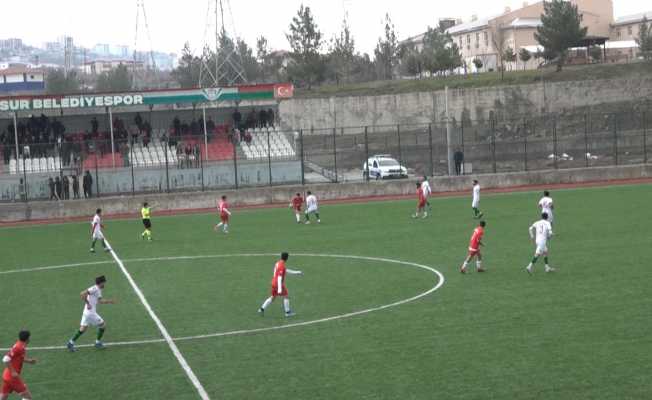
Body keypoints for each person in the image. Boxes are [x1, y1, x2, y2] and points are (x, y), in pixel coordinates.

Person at [67, 275, 116, 352]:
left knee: (83, 329)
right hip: (90, 313)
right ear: (101, 283)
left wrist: (109, 301)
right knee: (103, 325)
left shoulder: (98, 290)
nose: (104, 284)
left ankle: (70, 343)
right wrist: (88, 303)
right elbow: (82, 294)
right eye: (104, 283)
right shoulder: (95, 288)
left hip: (87, 312)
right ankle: (97, 342)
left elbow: (100, 301)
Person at [258, 252, 303, 317]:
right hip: (278, 284)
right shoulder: (282, 266)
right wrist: (279, 289)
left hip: (273, 282)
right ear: (287, 258)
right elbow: (279, 277)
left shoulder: (278, 263)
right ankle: (287, 312)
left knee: (273, 297)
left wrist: (297, 272)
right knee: (286, 296)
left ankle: (261, 309)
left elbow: (285, 271)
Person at [2, 330, 37, 400]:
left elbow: (18, 358)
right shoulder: (19, 347)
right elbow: (5, 359)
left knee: (3, 397)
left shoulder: (20, 345)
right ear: (27, 339)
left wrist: (29, 361)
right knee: (28, 397)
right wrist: (13, 372)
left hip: (7, 376)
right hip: (12, 378)